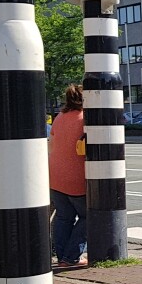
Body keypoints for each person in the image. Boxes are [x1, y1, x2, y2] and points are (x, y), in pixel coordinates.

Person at [49, 84, 87, 269]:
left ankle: (62, 256)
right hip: (77, 177)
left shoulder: (59, 117)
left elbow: (52, 142)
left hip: (55, 176)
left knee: (64, 217)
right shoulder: (86, 118)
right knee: (89, 216)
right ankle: (72, 256)